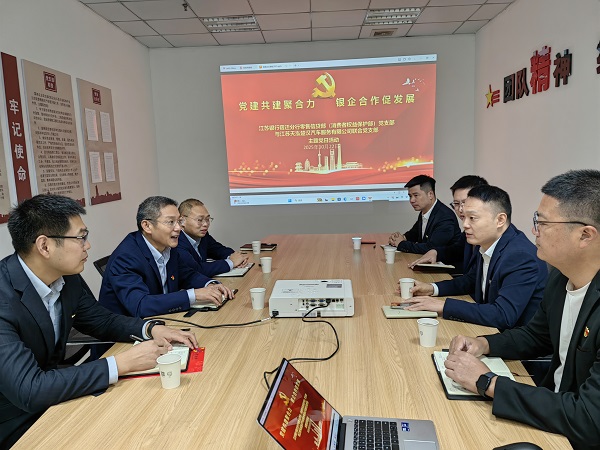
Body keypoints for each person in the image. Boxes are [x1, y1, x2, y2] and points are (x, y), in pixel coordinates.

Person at [0, 195, 197, 448]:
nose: (88, 245)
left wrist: (150, 328)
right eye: (81, 237)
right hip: (15, 420)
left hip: (56, 395)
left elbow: (101, 320)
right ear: (45, 246)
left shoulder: (66, 277)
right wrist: (120, 363)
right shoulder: (4, 297)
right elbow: (29, 389)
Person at [444, 170, 600, 450]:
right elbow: (536, 336)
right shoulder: (561, 278)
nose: (534, 231)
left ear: (585, 235)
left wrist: (487, 382)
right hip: (551, 411)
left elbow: (588, 418)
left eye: (542, 222)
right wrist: (483, 344)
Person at [403, 185, 547, 330]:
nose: (465, 224)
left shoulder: (520, 256)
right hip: (488, 328)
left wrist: (443, 305)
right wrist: (432, 288)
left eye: (472, 218)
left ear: (500, 220)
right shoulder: (486, 242)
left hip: (513, 337)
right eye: (465, 217)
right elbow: (471, 280)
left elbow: (503, 315)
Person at [99, 196, 234, 318]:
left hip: (163, 318)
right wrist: (194, 295)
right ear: (147, 226)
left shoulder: (167, 247)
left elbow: (186, 274)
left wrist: (210, 285)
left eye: (179, 221)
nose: (178, 228)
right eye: (171, 222)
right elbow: (140, 305)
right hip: (128, 331)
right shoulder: (126, 257)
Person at [409, 175, 488, 273]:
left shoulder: (493, 237)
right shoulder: (468, 230)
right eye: (456, 203)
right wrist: (435, 252)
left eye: (465, 202)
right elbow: (457, 250)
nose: (460, 209)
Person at [389, 174, 461, 254]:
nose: (412, 200)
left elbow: (431, 248)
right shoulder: (425, 211)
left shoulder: (445, 217)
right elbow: (414, 234)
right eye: (410, 196)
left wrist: (401, 244)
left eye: (416, 195)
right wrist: (400, 238)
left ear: (430, 194)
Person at [178, 198, 247, 277]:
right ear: (182, 221)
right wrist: (231, 262)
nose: (205, 224)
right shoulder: (176, 241)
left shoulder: (203, 235)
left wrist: (236, 257)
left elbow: (218, 249)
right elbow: (195, 269)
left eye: (207, 219)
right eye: (199, 220)